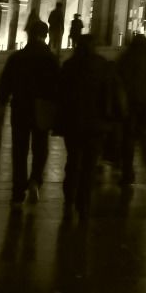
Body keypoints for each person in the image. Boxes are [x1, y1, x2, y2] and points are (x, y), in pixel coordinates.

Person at [54, 34, 124, 221]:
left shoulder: (69, 66)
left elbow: (59, 95)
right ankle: (83, 205)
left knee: (73, 162)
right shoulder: (103, 66)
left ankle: (69, 200)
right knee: (89, 166)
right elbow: (115, 93)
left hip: (73, 124)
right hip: (96, 125)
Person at [0, 20, 60, 206]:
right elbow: (58, 87)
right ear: (45, 35)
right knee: (41, 148)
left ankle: (17, 192)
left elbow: (5, 84)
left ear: (29, 35)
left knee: (19, 150)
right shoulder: (51, 59)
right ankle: (35, 181)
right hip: (43, 109)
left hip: (20, 108)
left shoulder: (17, 57)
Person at [115, 32, 146, 185]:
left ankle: (127, 171)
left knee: (128, 137)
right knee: (144, 134)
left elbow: (118, 78)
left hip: (130, 103)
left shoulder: (127, 57)